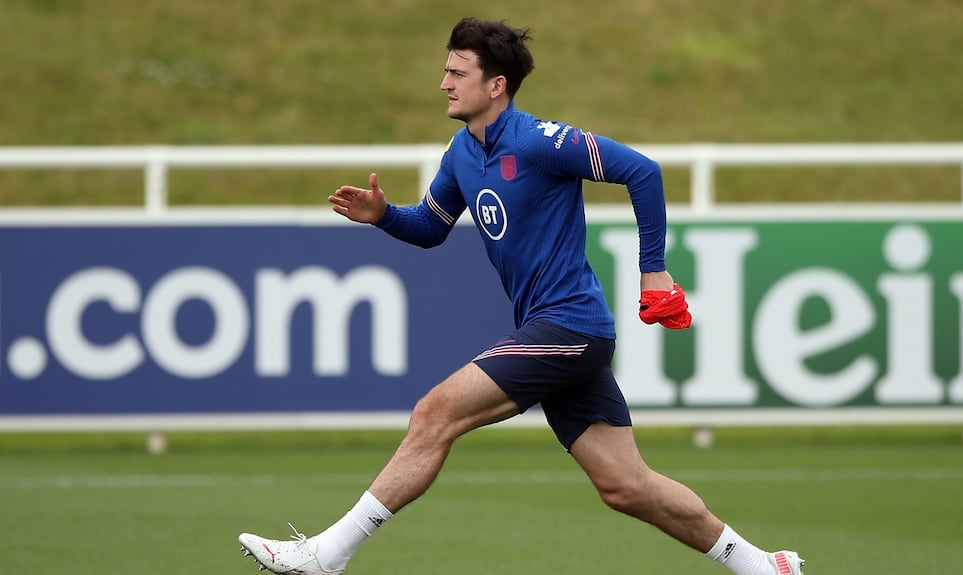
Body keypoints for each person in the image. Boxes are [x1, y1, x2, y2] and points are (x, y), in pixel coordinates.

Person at [238, 17, 805, 575]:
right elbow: (432, 227)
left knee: (434, 413)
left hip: (569, 327)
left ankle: (325, 556)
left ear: (496, 85)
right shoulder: (462, 151)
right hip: (559, 333)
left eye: (457, 72)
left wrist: (653, 272)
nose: (444, 83)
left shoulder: (539, 141)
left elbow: (644, 172)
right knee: (626, 487)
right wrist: (385, 216)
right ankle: (765, 566)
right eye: (445, 71)